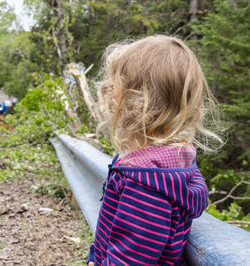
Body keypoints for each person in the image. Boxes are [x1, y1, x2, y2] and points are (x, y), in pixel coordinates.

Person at [87, 35, 223, 266]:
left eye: (115, 86)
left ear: (133, 101)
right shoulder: (177, 163)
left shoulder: (145, 183)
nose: (110, 91)